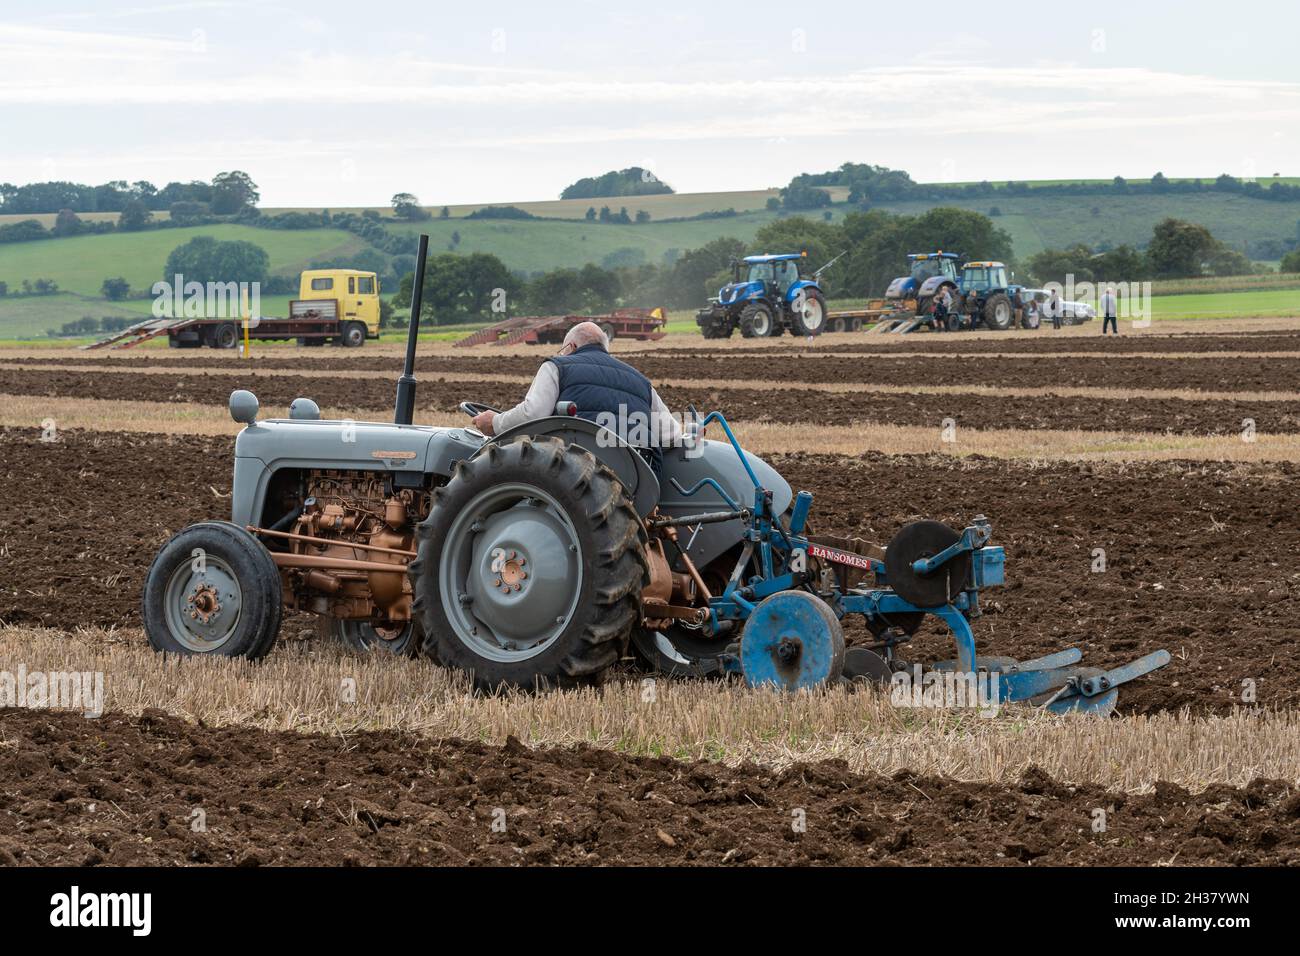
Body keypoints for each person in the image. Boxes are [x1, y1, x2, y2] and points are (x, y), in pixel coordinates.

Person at [471, 321, 682, 472]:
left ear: (571, 346)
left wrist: (496, 422)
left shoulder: (557, 366)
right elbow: (671, 435)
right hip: (636, 479)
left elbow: (532, 414)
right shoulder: (642, 382)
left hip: (575, 472)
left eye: (564, 349)